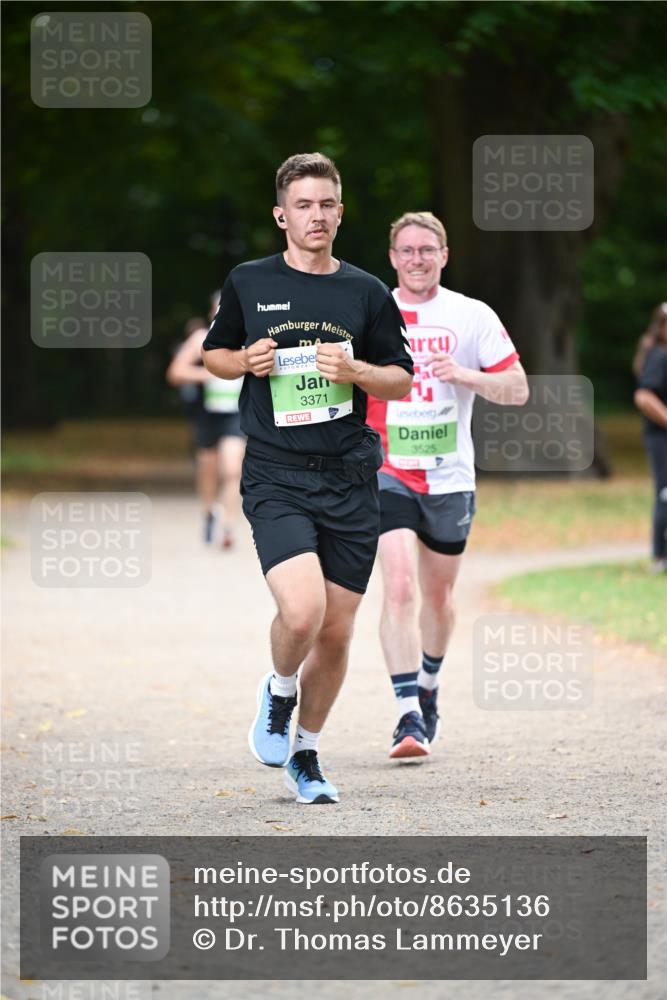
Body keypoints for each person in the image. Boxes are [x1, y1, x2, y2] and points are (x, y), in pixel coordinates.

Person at [202, 153, 413, 803]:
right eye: (303, 205)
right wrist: (244, 359)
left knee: (336, 629)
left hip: (349, 475)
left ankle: (306, 752)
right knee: (301, 613)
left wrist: (355, 374)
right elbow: (214, 356)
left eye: (326, 204)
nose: (315, 215)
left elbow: (400, 378)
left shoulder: (366, 292)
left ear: (340, 213)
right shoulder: (248, 281)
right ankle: (279, 690)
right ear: (281, 215)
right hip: (277, 472)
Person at [366, 211, 529, 759]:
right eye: (406, 250)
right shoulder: (370, 310)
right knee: (400, 588)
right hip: (385, 470)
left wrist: (465, 376)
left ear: (444, 255)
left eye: (426, 250)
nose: (416, 258)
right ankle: (407, 713)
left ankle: (430, 686)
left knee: (437, 595)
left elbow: (517, 389)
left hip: (450, 475)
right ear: (392, 258)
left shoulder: (470, 314)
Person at [166, 293, 245, 548]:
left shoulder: (251, 337)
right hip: (208, 413)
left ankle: (228, 527)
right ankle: (209, 512)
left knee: (232, 470)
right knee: (207, 469)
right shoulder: (202, 338)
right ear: (212, 313)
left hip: (237, 413)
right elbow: (176, 372)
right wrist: (210, 372)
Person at [633, 303, 667, 573]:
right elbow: (643, 396)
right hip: (660, 439)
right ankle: (659, 556)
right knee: (665, 493)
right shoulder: (659, 357)